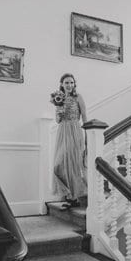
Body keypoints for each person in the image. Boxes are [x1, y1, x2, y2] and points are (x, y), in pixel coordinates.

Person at [52, 73, 88, 209]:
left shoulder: (78, 97)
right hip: (62, 131)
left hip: (75, 130)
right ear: (62, 84)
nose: (69, 85)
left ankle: (74, 198)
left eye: (71, 82)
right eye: (66, 82)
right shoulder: (59, 98)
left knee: (72, 164)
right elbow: (57, 120)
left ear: (74, 84)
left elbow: (84, 116)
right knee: (58, 165)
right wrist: (59, 111)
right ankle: (69, 194)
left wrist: (87, 135)